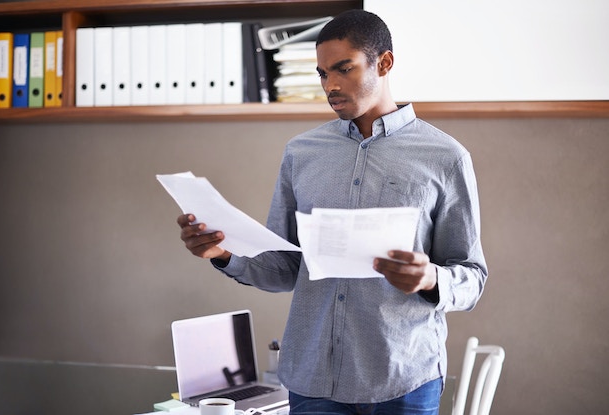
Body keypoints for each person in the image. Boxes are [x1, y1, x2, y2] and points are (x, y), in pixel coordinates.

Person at [177, 9, 487, 415]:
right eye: (323, 74)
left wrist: (431, 278)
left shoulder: (445, 158)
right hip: (313, 380)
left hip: (402, 379)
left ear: (385, 63)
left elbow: (472, 277)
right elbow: (285, 268)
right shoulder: (301, 154)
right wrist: (222, 254)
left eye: (344, 69)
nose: (331, 85)